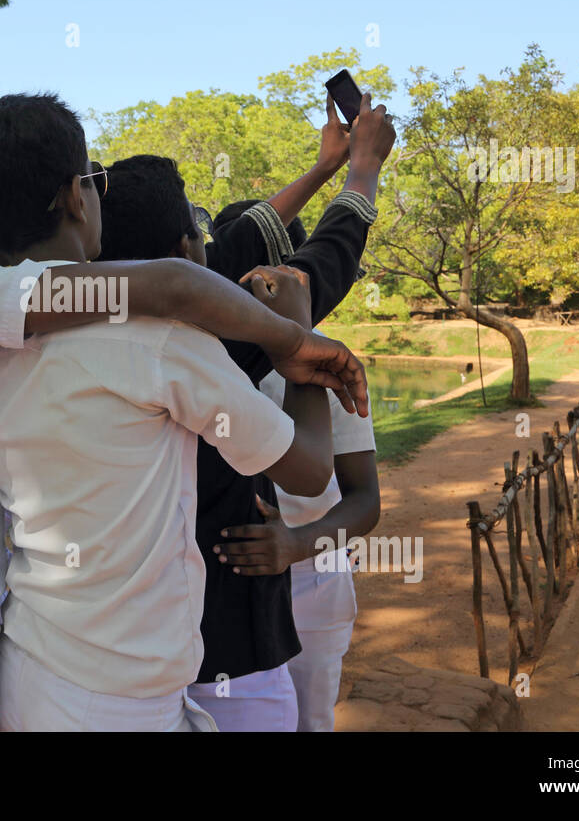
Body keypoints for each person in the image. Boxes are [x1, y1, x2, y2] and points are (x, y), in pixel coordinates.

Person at [0, 93, 369, 732]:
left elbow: (169, 274)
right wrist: (295, 337)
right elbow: (175, 286)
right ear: (73, 196)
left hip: (10, 657)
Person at [91, 96, 393, 730]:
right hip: (231, 648)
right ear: (186, 253)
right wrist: (362, 170)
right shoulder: (207, 348)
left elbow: (220, 255)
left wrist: (325, 169)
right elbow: (312, 473)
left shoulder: (57, 316)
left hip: (113, 651)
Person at [257, 356, 380, 731]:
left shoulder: (330, 368)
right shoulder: (200, 353)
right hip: (219, 579)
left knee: (309, 718)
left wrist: (296, 544)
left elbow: (365, 501)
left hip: (314, 575)